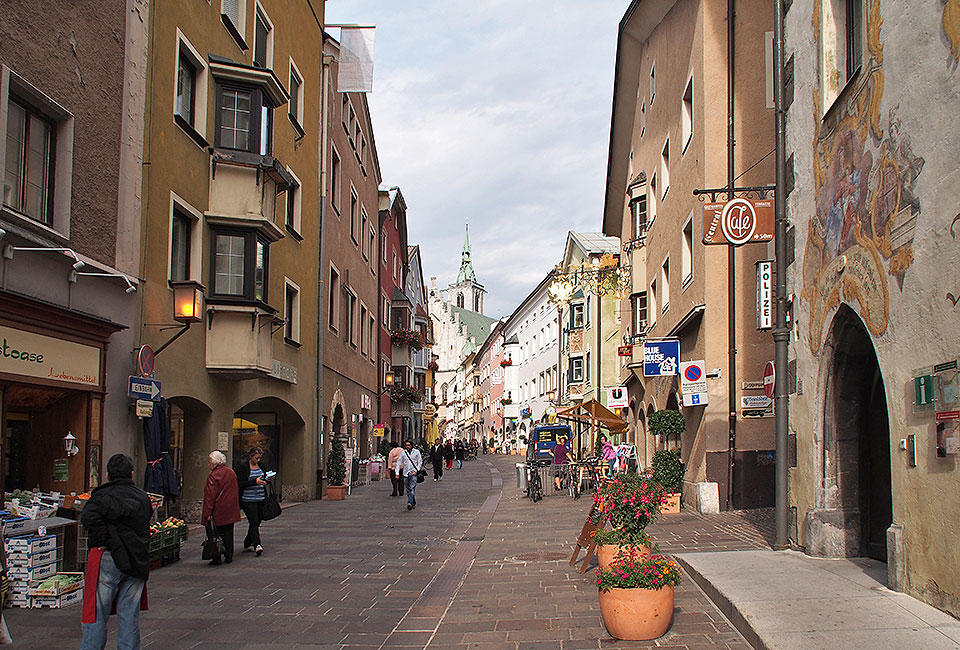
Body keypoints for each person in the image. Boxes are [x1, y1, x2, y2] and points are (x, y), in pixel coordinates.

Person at [79, 453, 151, 650]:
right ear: (131, 473)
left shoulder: (102, 496)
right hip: (136, 558)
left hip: (109, 557)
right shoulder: (142, 497)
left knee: (97, 612)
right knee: (129, 613)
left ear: (108, 474)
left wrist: (104, 539)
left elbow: (88, 517)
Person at [201, 450, 241, 565]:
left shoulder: (213, 476)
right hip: (230, 508)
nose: (209, 464)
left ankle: (216, 556)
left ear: (214, 463)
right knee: (228, 532)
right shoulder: (231, 472)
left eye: (210, 462)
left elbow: (210, 496)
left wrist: (207, 513)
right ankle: (229, 555)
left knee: (214, 533)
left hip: (218, 510)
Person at [235, 447, 269, 556]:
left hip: (260, 498)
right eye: (256, 458)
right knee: (254, 520)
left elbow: (264, 479)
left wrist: (267, 480)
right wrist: (255, 482)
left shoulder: (262, 466)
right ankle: (257, 544)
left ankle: (247, 541)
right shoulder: (243, 467)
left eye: (259, 458)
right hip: (248, 499)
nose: (258, 460)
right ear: (250, 457)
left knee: (258, 520)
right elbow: (240, 483)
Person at [395, 439, 424, 510]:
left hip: (413, 473)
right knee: (408, 489)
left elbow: (419, 462)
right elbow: (399, 462)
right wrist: (397, 473)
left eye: (409, 445)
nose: (407, 446)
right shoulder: (403, 453)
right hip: (405, 473)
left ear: (412, 445)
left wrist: (417, 470)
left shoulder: (416, 452)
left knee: (411, 487)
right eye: (406, 445)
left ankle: (410, 502)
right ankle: (412, 501)